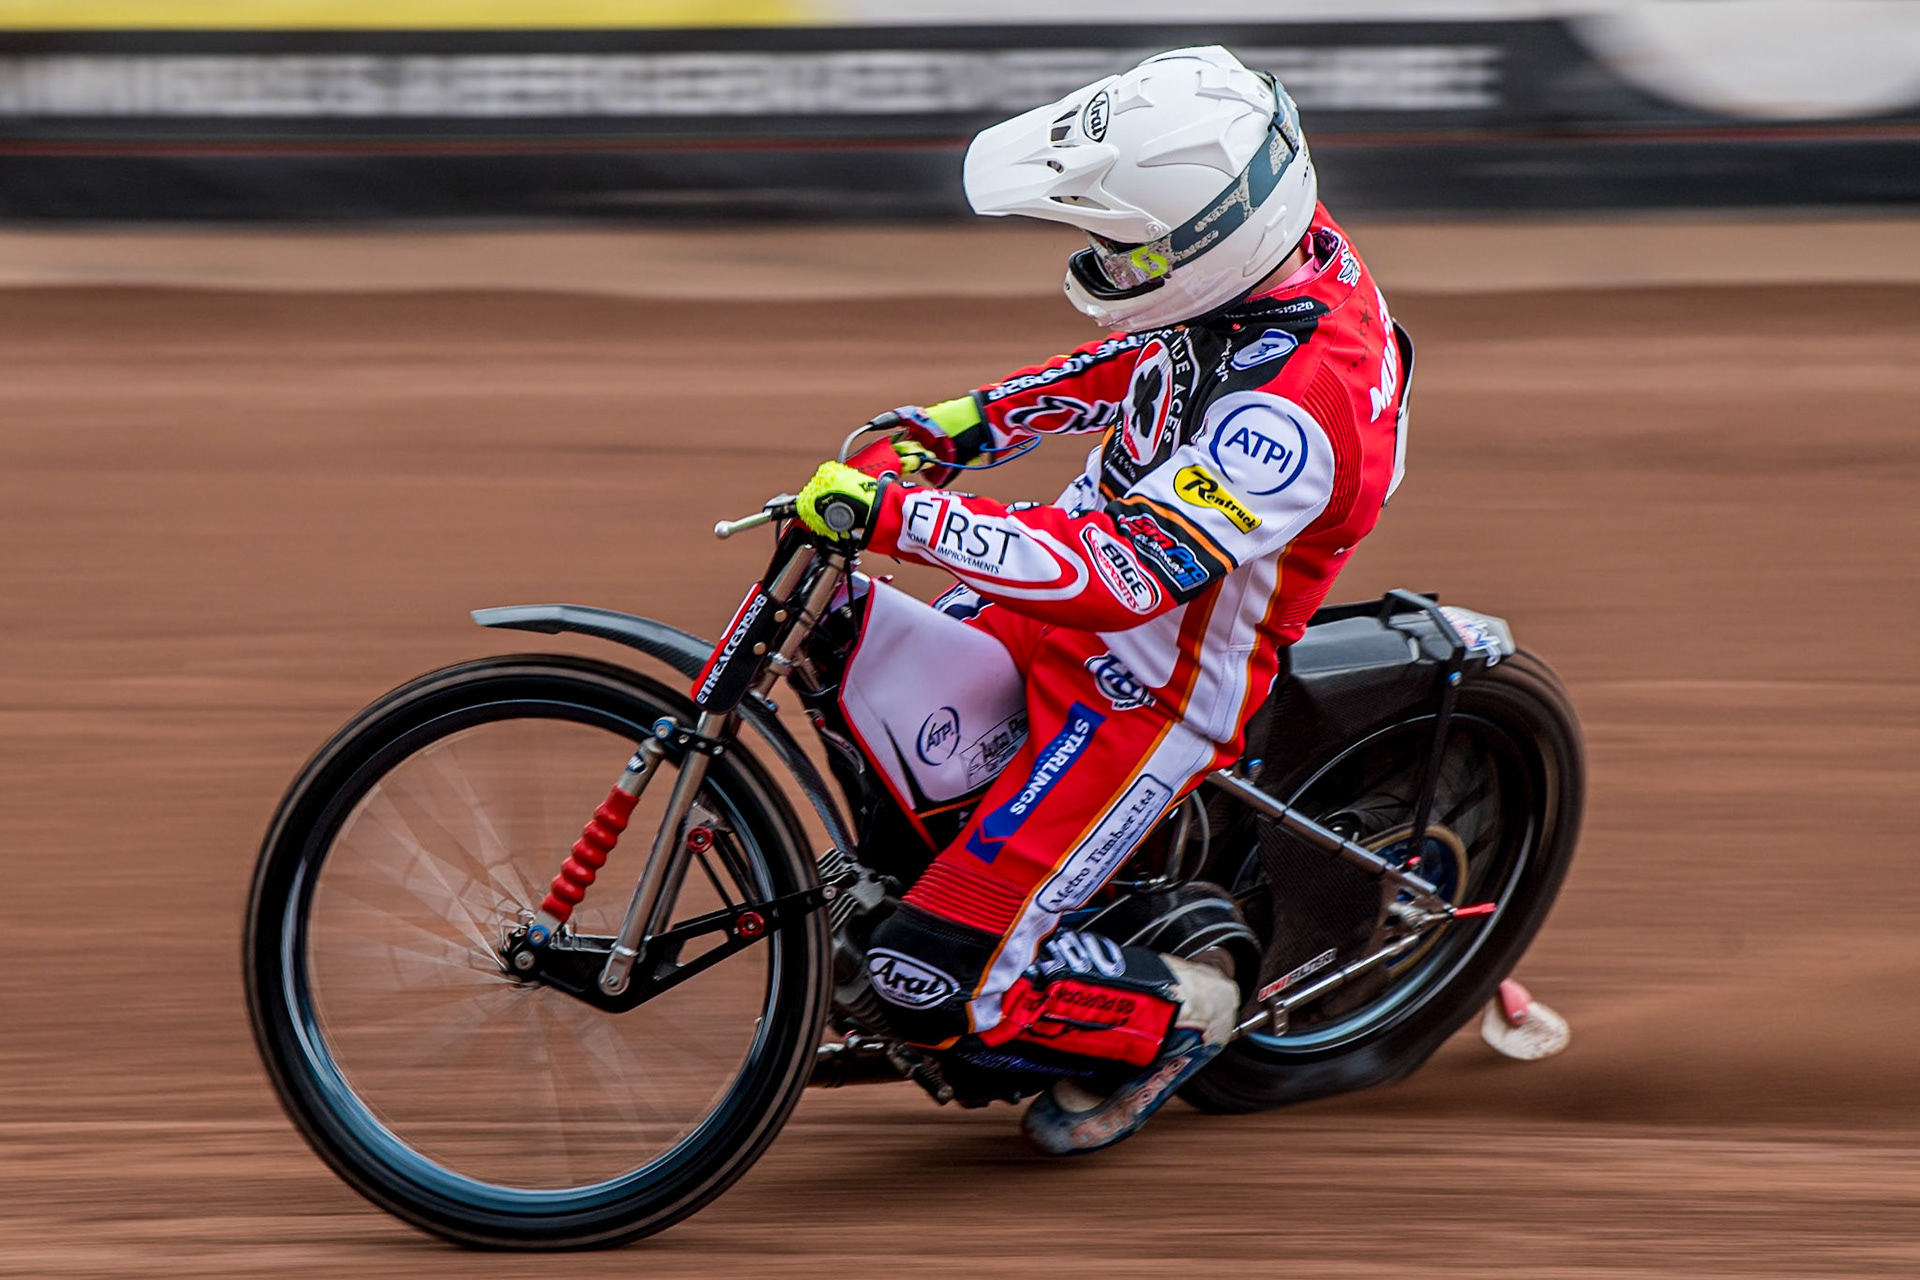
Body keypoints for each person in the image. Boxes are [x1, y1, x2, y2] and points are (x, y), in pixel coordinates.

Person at [789, 45, 1412, 1154]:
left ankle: (1179, 1013)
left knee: (926, 978)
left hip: (1142, 691)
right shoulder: (1261, 255)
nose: (1101, 263)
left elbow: (1119, 574)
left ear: (1203, 240)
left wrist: (911, 520)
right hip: (1061, 610)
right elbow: (1146, 355)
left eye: (1123, 246)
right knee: (839, 649)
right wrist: (966, 424)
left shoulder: (1297, 414)